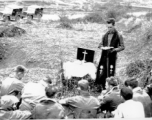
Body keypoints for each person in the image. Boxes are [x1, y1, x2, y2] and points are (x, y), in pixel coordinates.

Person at [95, 18, 125, 90]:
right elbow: (100, 45)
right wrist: (102, 47)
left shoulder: (119, 35)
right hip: (104, 56)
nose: (109, 29)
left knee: (110, 71)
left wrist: (114, 49)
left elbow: (122, 46)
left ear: (114, 25)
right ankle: (102, 87)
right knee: (102, 71)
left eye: (110, 27)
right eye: (108, 27)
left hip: (112, 56)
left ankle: (111, 88)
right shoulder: (104, 35)